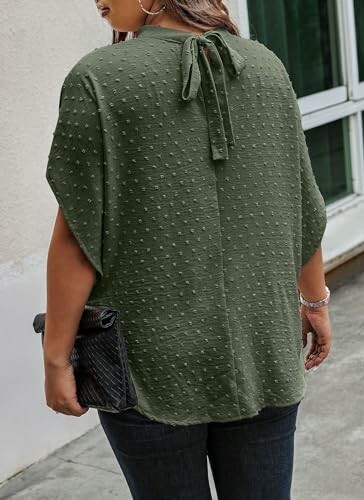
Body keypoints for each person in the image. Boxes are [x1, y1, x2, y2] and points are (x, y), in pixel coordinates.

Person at [42, 0, 333, 498]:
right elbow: (301, 205)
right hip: (264, 346)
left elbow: (78, 236)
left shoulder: (98, 78)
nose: (97, 1)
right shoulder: (265, 65)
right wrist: (314, 302)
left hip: (147, 366)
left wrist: (56, 358)